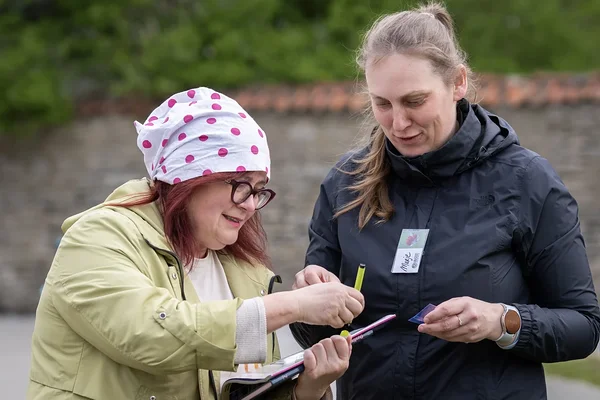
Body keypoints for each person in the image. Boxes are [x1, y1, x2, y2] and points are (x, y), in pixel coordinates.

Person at [290, 2, 600, 399]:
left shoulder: (527, 181)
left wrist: (500, 321)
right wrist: (307, 302)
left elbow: (584, 327)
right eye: (382, 103)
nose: (398, 123)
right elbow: (312, 335)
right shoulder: (344, 184)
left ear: (458, 83)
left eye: (414, 101)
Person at [27, 87, 365, 400]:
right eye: (240, 184)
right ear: (188, 179)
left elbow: (243, 392)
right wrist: (294, 305)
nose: (250, 204)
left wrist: (308, 388)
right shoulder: (95, 238)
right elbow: (152, 336)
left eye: (259, 188)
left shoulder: (242, 269)